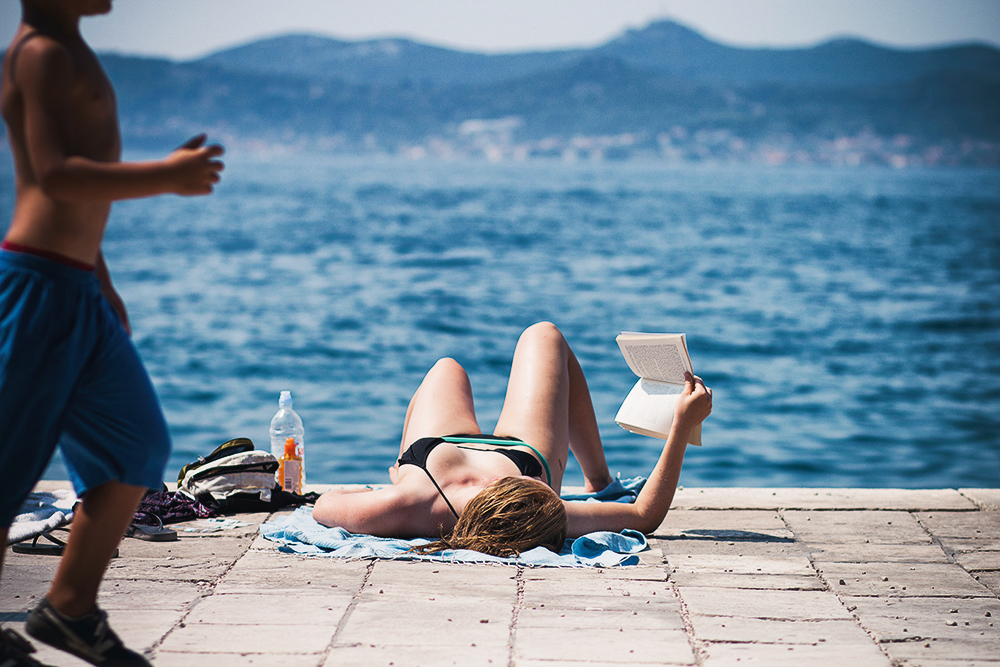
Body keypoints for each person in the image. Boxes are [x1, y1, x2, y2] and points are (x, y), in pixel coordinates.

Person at [0, 1, 224, 665]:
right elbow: (54, 174)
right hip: (36, 286)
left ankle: (68, 608)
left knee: (136, 443)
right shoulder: (40, 53)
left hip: (77, 285)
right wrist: (168, 176)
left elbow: (77, 197)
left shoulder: (70, 49)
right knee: (9, 464)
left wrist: (100, 278)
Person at [313, 321, 712, 556]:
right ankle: (599, 481)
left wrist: (390, 486)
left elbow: (324, 506)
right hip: (521, 450)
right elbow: (644, 515)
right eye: (540, 485)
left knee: (446, 368)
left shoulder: (404, 507)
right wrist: (681, 426)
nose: (548, 486)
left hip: (431, 458)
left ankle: (597, 480)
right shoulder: (545, 512)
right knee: (544, 335)